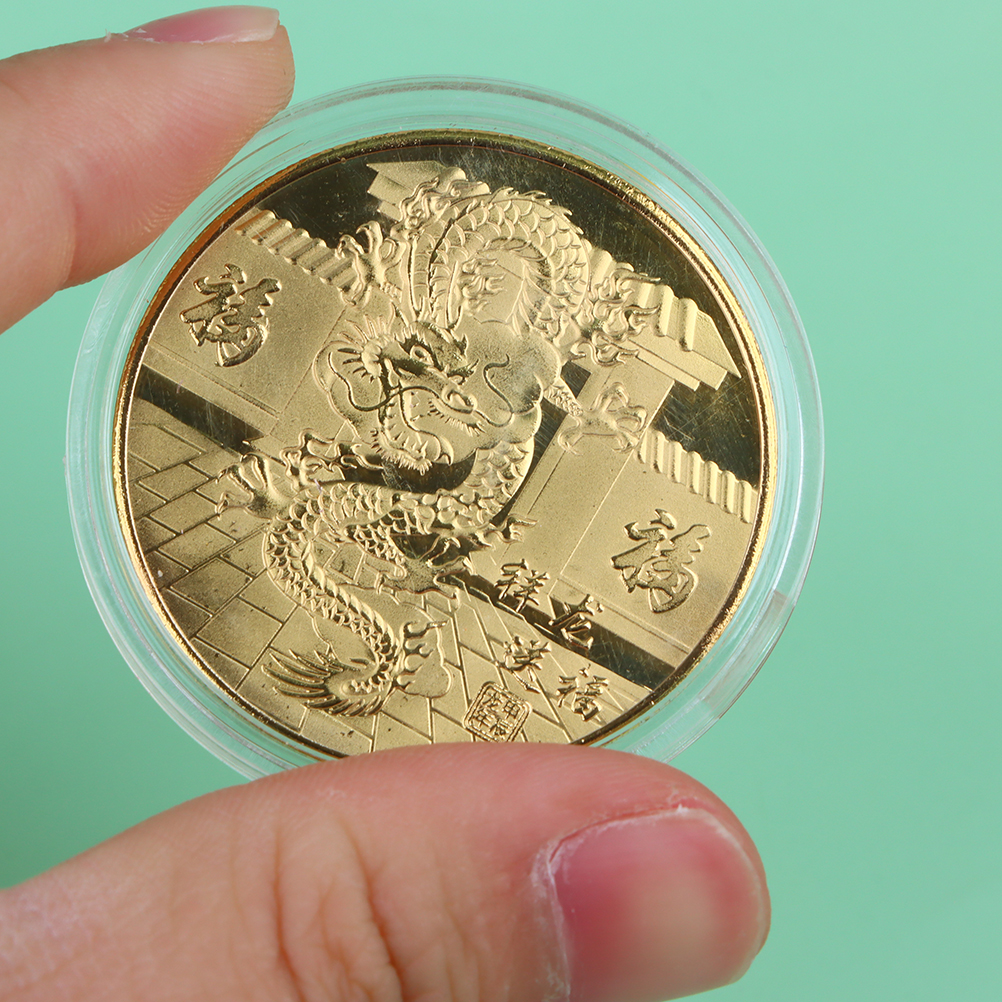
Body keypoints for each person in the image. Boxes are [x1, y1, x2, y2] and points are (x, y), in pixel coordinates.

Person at [0, 9, 769, 1000]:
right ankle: (376, 624)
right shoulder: (438, 319)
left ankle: (382, 627)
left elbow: (466, 418)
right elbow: (377, 391)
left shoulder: (520, 362)